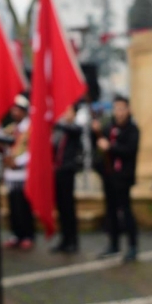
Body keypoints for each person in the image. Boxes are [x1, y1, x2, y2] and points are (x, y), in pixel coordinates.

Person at [93, 95, 140, 261]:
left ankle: (132, 246)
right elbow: (100, 145)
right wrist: (95, 132)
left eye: (122, 109)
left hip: (123, 177)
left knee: (126, 210)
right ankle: (113, 244)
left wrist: (111, 147)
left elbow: (129, 150)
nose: (119, 112)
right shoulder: (109, 128)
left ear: (128, 110)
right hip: (109, 176)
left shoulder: (132, 130)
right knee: (110, 210)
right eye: (116, 109)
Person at [2, 94, 34, 250]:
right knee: (13, 206)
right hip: (11, 172)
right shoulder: (10, 129)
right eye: (13, 110)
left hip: (24, 172)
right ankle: (16, 234)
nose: (15, 113)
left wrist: (18, 161)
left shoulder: (30, 129)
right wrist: (7, 159)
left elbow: (33, 150)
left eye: (18, 110)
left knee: (24, 206)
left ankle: (27, 235)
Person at [51, 103, 83, 254]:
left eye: (69, 111)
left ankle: (73, 240)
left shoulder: (75, 128)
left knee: (69, 207)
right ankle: (64, 239)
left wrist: (53, 121)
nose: (65, 114)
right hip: (57, 170)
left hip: (67, 171)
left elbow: (71, 129)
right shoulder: (59, 132)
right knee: (61, 207)